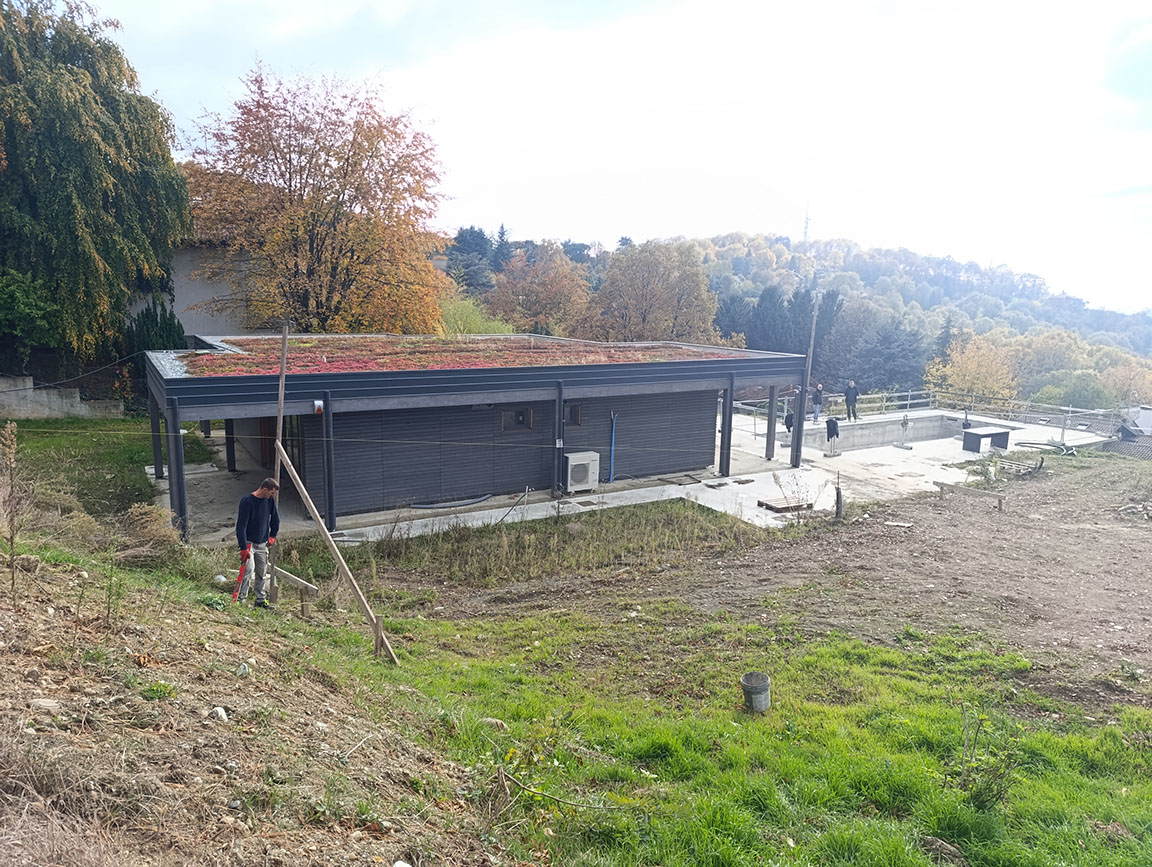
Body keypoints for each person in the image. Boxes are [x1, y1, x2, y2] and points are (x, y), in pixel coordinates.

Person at [236, 478, 280, 609]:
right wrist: (243, 547)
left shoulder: (269, 501)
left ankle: (260, 600)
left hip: (262, 543)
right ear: (265, 489)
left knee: (262, 572)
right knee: (248, 570)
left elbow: (275, 519)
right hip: (249, 543)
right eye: (272, 492)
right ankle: (241, 599)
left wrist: (272, 535)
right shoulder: (247, 501)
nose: (272, 495)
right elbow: (241, 526)